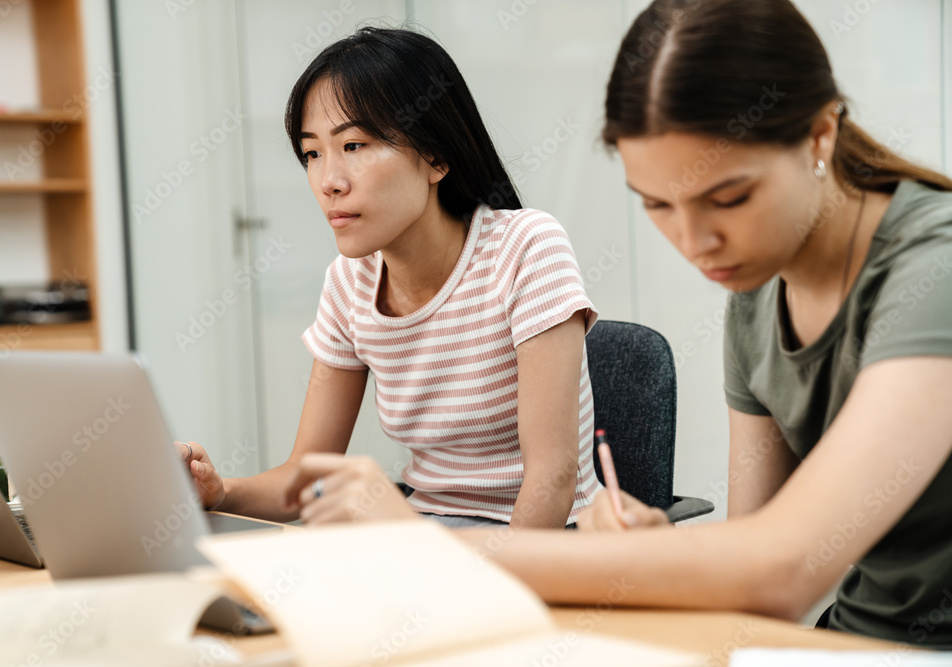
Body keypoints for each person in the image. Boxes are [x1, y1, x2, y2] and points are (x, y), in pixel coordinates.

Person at [276, 0, 952, 648]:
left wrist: (426, 545)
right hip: (858, 641)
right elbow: (748, 558)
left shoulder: (934, 272)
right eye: (658, 204)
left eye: (729, 197)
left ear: (820, 137)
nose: (695, 243)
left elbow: (779, 572)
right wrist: (656, 544)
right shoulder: (758, 285)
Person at [181, 27, 602, 530]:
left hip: (542, 540)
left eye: (354, 145)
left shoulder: (526, 248)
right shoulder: (349, 283)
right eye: (312, 153)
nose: (329, 181)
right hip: (425, 529)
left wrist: (480, 579)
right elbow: (304, 478)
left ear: (436, 157)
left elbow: (552, 478)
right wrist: (220, 490)